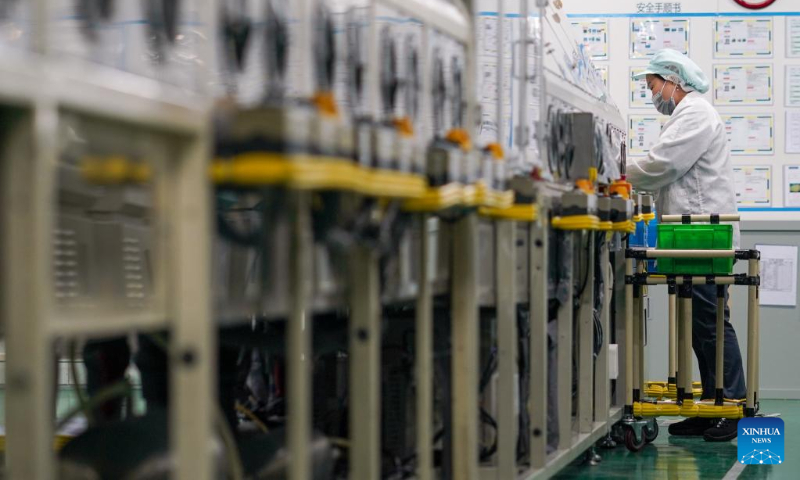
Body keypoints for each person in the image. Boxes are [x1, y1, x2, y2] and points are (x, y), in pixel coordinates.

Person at [627, 49, 746, 442]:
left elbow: (663, 166)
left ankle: (731, 406)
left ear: (673, 80)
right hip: (690, 233)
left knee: (712, 322)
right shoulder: (685, 115)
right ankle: (710, 407)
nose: (652, 94)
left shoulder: (695, 112)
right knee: (699, 326)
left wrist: (616, 172)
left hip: (704, 234)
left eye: (653, 85)